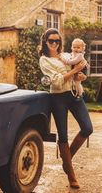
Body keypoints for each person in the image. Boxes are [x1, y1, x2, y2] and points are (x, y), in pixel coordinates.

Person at [39, 28, 93, 189]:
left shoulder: (66, 56)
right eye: (51, 41)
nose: (54, 44)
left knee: (87, 128)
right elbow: (55, 81)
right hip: (58, 98)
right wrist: (75, 71)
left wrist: (81, 75)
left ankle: (66, 160)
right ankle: (71, 175)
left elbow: (77, 72)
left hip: (74, 94)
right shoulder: (44, 60)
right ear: (45, 42)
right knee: (63, 135)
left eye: (57, 41)